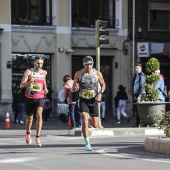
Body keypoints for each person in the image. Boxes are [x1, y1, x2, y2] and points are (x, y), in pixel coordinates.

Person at [72, 56, 106, 151]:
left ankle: (90, 117)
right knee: (84, 121)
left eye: (90, 64)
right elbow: (73, 86)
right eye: (86, 64)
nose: (89, 66)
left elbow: (103, 84)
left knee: (95, 125)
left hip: (94, 99)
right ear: (83, 64)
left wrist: (100, 93)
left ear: (93, 64)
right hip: (83, 99)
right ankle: (87, 144)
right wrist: (75, 88)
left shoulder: (97, 74)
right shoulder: (79, 74)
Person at [20, 55, 48, 146]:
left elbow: (43, 81)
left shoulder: (44, 72)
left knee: (39, 115)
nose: (40, 65)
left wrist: (46, 88)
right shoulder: (28, 72)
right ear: (34, 63)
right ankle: (28, 133)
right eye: (38, 63)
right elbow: (21, 85)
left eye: (41, 63)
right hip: (30, 97)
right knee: (30, 118)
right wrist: (29, 82)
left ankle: (38, 137)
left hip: (40, 96)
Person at [132, 63, 146, 127]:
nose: (136, 69)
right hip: (137, 93)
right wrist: (135, 94)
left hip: (141, 93)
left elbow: (142, 86)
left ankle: (140, 123)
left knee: (140, 109)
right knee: (137, 109)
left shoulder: (142, 76)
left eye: (137, 68)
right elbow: (136, 85)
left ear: (141, 68)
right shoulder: (136, 75)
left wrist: (139, 95)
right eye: (135, 68)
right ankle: (138, 123)